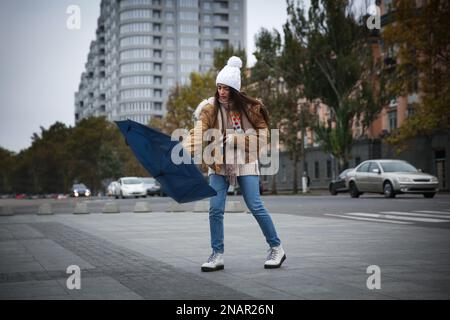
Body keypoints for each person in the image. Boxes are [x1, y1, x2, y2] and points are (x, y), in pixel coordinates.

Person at [183, 56, 286, 272]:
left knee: (255, 205)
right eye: (219, 87)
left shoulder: (251, 108)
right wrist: (184, 151)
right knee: (215, 209)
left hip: (246, 160)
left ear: (235, 90)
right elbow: (199, 131)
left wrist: (236, 139)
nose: (221, 92)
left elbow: (264, 137)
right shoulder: (210, 108)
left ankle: (276, 248)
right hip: (218, 163)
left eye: (226, 88)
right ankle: (217, 254)